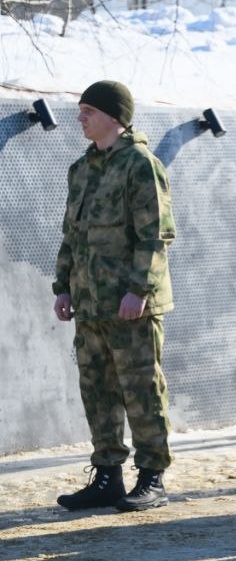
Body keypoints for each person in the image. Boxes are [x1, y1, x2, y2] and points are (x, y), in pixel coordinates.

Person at [53, 81, 177, 512]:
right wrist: (63, 286)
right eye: (81, 109)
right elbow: (71, 234)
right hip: (90, 303)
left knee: (141, 389)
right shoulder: (82, 168)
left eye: (88, 109)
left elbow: (155, 236)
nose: (80, 117)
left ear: (113, 116)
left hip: (130, 304)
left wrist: (138, 290)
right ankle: (107, 475)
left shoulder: (141, 164)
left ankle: (152, 477)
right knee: (97, 390)